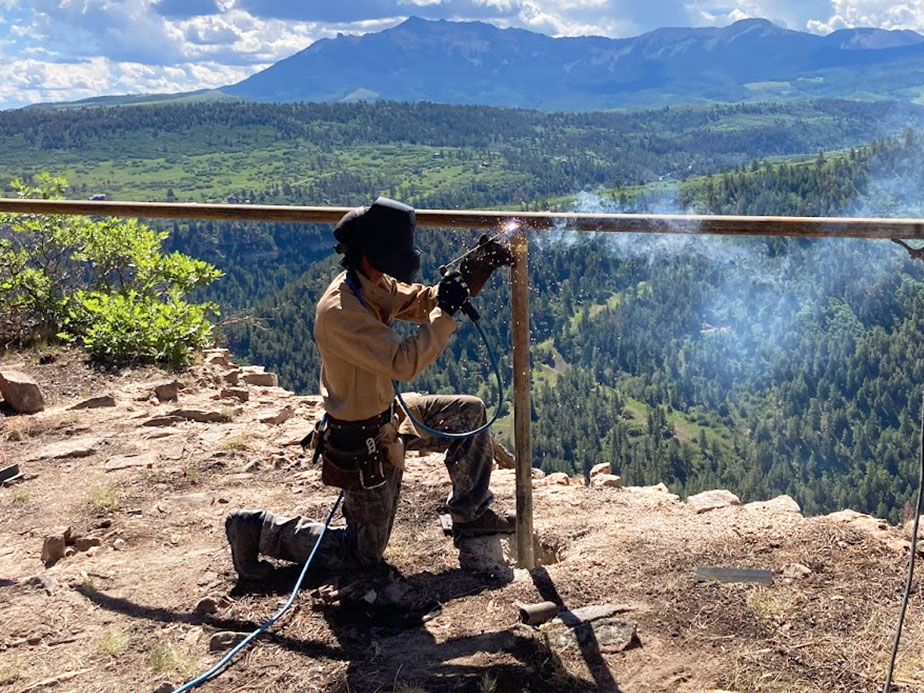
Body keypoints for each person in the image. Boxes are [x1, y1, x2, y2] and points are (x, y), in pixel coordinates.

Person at [225, 198, 514, 580]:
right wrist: (445, 312)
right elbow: (403, 362)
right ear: (369, 256)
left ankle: (470, 513)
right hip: (362, 438)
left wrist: (467, 277)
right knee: (361, 555)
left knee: (470, 414)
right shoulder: (341, 312)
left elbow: (419, 301)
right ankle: (258, 529)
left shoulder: (370, 282)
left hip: (390, 415)